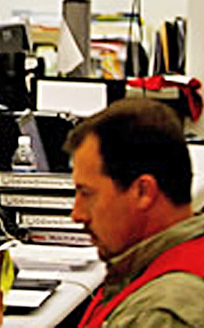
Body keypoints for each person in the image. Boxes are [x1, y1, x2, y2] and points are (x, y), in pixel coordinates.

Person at [67, 98, 204, 328]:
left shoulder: (161, 314)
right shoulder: (174, 258)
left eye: (87, 194)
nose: (77, 214)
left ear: (143, 192)